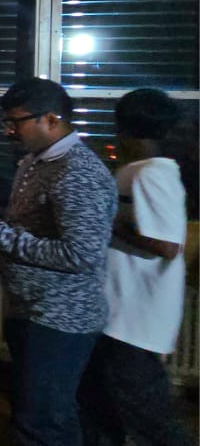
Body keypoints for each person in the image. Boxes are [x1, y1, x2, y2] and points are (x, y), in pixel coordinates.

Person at [0, 77, 115, 446]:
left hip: (60, 318)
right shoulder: (37, 162)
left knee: (43, 422)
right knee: (38, 411)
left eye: (15, 122)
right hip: (31, 309)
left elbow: (80, 254)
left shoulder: (77, 172)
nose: (9, 131)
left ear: (50, 119)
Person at [78, 88, 192, 446]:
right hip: (120, 312)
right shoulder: (139, 171)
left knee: (147, 413)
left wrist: (109, 223)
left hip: (135, 318)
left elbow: (167, 245)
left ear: (123, 128)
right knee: (101, 402)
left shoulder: (151, 174)